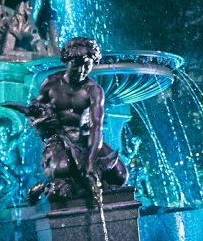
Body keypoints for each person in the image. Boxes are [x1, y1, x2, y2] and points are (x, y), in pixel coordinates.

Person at [19, 37, 127, 202]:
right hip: (59, 137)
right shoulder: (51, 83)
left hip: (85, 138)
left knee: (120, 175)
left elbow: (96, 128)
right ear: (67, 60)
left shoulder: (94, 91)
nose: (82, 70)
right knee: (61, 168)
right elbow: (37, 110)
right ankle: (46, 186)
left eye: (87, 65)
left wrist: (91, 161)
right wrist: (37, 117)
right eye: (77, 64)